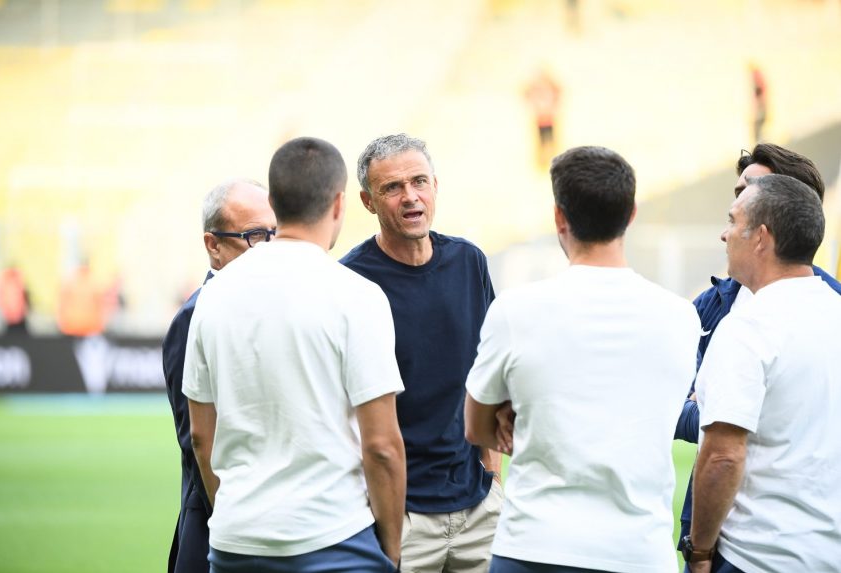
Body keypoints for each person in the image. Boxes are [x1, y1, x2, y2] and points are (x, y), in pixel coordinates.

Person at [465, 146, 701, 573]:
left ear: (559, 217)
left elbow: (476, 426)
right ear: (631, 214)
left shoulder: (515, 311)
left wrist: (511, 411)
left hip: (533, 548)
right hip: (638, 553)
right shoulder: (681, 317)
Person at [182, 137, 406, 573]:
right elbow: (382, 446)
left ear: (274, 202)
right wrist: (391, 551)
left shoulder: (213, 295)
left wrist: (233, 515)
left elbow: (201, 437)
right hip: (334, 537)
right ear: (339, 204)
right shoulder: (356, 294)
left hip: (236, 542)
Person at [340, 133, 502, 573]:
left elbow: (486, 376)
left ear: (435, 185)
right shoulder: (349, 284)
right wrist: (388, 525)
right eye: (392, 188)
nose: (410, 197)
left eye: (419, 182)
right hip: (399, 517)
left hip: (479, 509)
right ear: (367, 202)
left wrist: (494, 478)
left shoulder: (469, 262)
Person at [673, 143, 841, 565]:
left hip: (754, 555)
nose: (725, 230)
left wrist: (700, 551)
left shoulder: (748, 327)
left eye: (736, 216)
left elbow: (724, 452)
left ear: (765, 232)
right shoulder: (720, 306)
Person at [162, 178, 277, 573]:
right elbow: (198, 442)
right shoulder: (194, 317)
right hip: (221, 527)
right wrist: (237, 522)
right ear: (213, 245)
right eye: (255, 236)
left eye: (276, 233)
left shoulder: (276, 305)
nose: (269, 248)